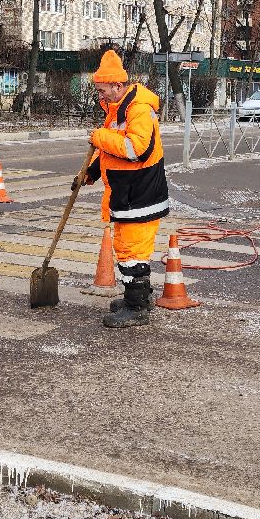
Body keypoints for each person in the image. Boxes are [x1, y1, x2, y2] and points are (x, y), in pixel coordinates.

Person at [83, 49, 170, 329]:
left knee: (133, 251)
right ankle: (137, 297)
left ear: (118, 85)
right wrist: (93, 171)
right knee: (125, 247)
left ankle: (137, 307)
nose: (100, 95)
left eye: (102, 89)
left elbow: (136, 149)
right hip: (127, 194)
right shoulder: (116, 110)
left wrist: (100, 136)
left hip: (140, 195)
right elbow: (112, 150)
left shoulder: (139, 109)